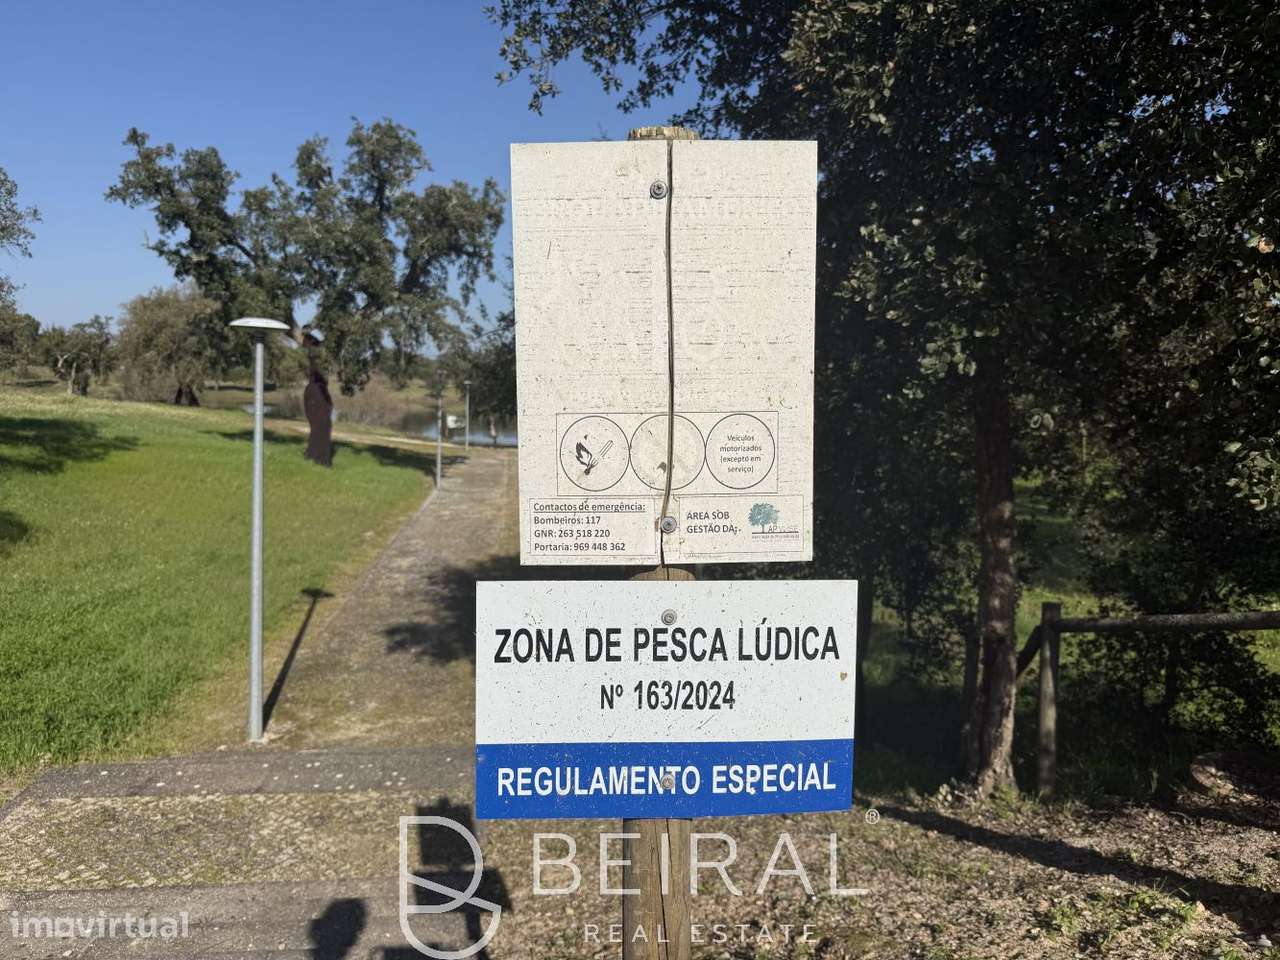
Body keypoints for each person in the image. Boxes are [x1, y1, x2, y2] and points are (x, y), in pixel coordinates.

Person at [303, 369, 334, 466]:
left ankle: (313, 455)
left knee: (315, 436)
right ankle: (322, 459)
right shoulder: (321, 388)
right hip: (322, 417)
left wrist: (309, 415)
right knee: (322, 438)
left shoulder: (309, 388)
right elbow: (329, 404)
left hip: (315, 417)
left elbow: (306, 404)